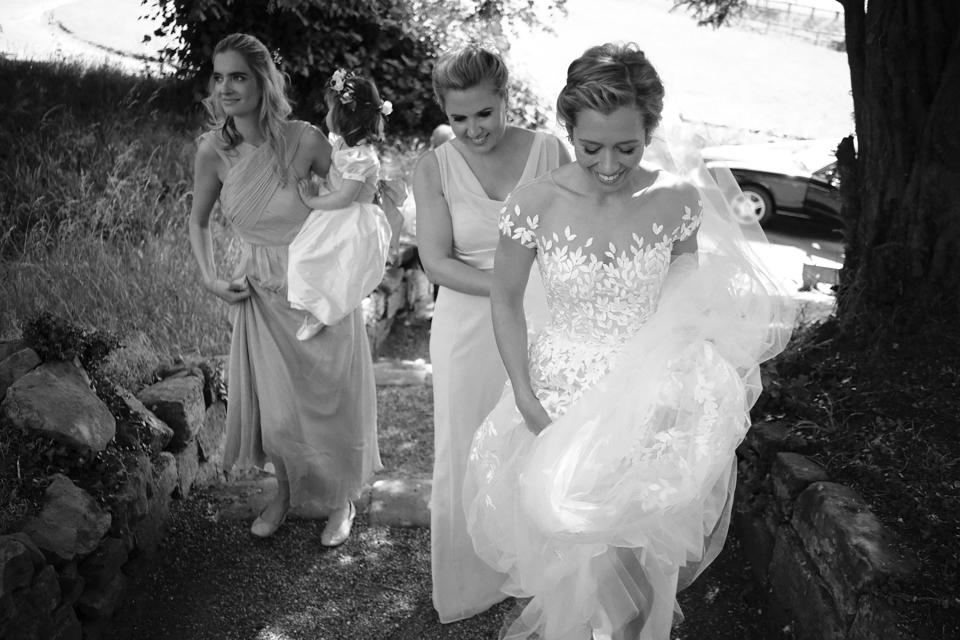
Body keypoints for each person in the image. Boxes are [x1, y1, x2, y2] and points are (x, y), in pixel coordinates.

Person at [463, 42, 795, 639]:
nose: (610, 164)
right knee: (574, 551)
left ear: (651, 131)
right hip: (558, 397)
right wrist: (522, 393)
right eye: (591, 148)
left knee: (640, 564)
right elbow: (505, 299)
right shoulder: (535, 203)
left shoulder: (676, 201)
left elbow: (685, 293)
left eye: (627, 147)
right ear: (569, 129)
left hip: (650, 396)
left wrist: (682, 381)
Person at [188, 33, 380, 548]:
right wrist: (209, 277)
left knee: (331, 401)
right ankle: (285, 491)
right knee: (278, 416)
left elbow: (358, 197)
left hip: (319, 290)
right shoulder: (213, 151)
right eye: (219, 76)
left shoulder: (307, 139)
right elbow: (199, 222)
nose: (226, 87)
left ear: (263, 82)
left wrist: (355, 255)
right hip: (261, 293)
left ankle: (342, 502)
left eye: (239, 76)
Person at [412, 45, 571, 623]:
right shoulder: (435, 167)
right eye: (459, 118)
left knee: (535, 438)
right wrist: (510, 287)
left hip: (544, 321)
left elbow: (576, 234)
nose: (473, 129)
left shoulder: (550, 150)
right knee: (464, 444)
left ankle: (536, 568)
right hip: (468, 325)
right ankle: (469, 579)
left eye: (484, 113)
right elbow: (436, 263)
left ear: (505, 99)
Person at [288, 69, 402, 341]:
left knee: (327, 262)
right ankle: (313, 306)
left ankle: (322, 313)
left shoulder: (360, 157)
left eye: (329, 109)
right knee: (306, 254)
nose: (325, 114)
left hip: (351, 219)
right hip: (337, 213)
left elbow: (344, 197)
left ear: (343, 114)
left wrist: (312, 200)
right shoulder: (341, 143)